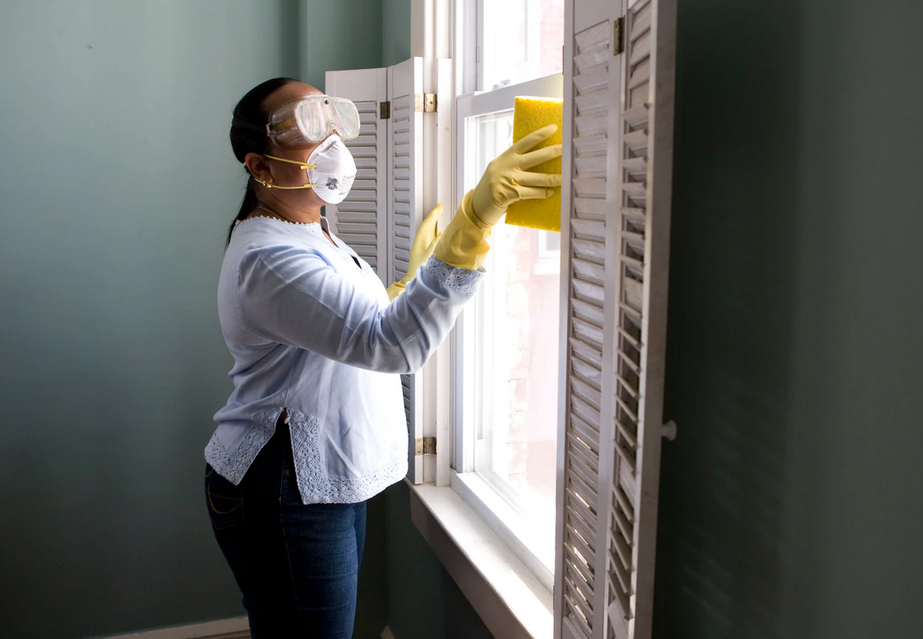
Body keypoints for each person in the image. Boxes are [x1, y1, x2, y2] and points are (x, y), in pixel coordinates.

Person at [203, 77, 562, 638]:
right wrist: (473, 222)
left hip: (318, 477)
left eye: (330, 115)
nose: (331, 140)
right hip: (284, 485)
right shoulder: (268, 257)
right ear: (261, 166)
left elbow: (341, 326)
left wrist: (409, 283)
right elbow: (391, 345)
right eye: (305, 126)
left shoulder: (308, 231)